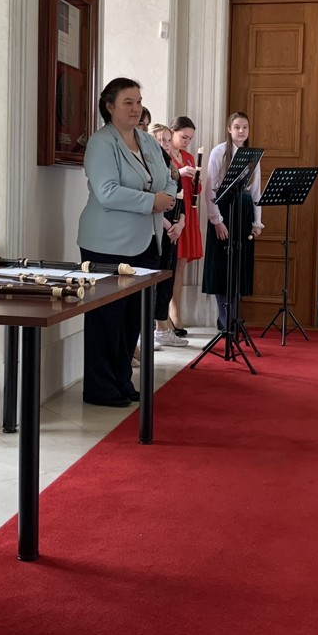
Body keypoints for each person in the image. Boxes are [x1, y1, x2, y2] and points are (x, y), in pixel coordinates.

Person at [78, 78, 175, 406]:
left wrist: (166, 197)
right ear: (109, 106)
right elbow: (107, 192)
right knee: (107, 319)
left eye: (139, 102)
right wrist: (152, 202)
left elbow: (167, 179)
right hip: (106, 243)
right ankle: (99, 387)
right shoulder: (101, 143)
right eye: (128, 103)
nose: (136, 109)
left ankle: (121, 380)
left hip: (146, 241)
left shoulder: (146, 140)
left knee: (134, 317)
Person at [202, 112, 263, 330]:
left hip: (243, 213)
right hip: (224, 211)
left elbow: (255, 191)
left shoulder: (252, 155)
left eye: (245, 127)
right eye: (237, 127)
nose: (241, 131)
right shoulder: (219, 152)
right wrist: (217, 220)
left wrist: (257, 222)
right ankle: (224, 319)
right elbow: (210, 189)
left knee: (239, 267)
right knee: (222, 267)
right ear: (229, 129)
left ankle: (234, 317)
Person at [148, 123, 189, 348]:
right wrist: (166, 225)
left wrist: (180, 223)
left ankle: (162, 328)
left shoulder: (172, 166)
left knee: (168, 278)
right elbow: (151, 200)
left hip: (173, 229)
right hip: (158, 228)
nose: (165, 143)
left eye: (167, 139)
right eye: (160, 140)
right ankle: (150, 330)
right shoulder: (150, 166)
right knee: (154, 279)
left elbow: (181, 200)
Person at [166, 116, 202, 336]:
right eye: (184, 137)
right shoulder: (165, 154)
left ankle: (176, 311)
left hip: (188, 210)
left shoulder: (188, 156)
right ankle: (166, 314)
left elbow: (194, 189)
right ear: (172, 132)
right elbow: (165, 180)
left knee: (180, 266)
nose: (187, 141)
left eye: (190, 138)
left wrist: (197, 181)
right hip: (174, 210)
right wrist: (179, 173)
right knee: (169, 265)